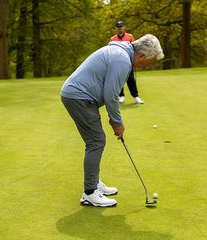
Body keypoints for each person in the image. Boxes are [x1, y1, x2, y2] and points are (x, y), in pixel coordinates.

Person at [60, 34, 164, 207]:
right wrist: (117, 122)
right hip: (79, 97)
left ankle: (94, 182)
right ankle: (90, 192)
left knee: (95, 140)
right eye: (149, 62)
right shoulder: (122, 59)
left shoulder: (121, 54)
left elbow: (109, 92)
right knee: (96, 141)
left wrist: (114, 119)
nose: (146, 66)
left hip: (79, 96)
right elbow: (111, 94)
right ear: (142, 56)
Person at [110, 20, 144, 104]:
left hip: (128, 61)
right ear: (116, 28)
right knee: (119, 79)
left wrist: (136, 60)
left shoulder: (130, 37)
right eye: (118, 27)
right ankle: (121, 96)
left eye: (121, 27)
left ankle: (136, 97)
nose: (119, 29)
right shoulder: (113, 39)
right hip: (117, 62)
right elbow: (111, 51)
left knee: (131, 79)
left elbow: (135, 48)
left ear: (124, 27)